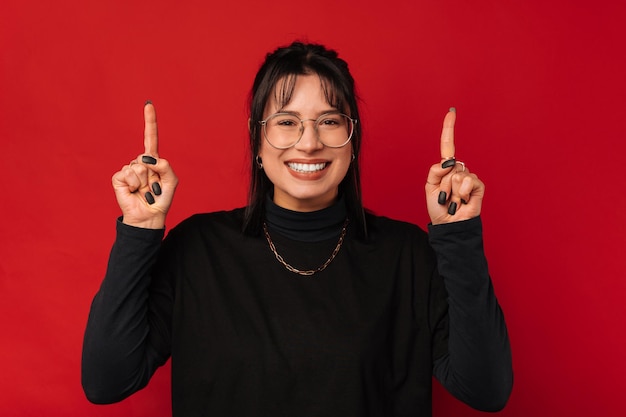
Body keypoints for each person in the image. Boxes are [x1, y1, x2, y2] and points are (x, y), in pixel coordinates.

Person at [82, 41, 512, 416]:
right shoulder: (197, 249)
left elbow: (486, 390)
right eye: (286, 122)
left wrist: (458, 237)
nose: (309, 142)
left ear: (352, 139)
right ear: (257, 140)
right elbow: (106, 382)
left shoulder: (409, 256)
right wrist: (139, 230)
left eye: (329, 121)